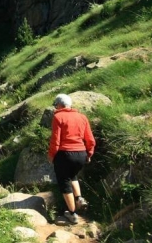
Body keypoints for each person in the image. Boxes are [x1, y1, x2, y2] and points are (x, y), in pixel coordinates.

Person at [48, 93, 95, 225]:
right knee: (72, 175)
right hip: (81, 154)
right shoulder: (82, 117)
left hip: (64, 154)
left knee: (64, 182)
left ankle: (72, 214)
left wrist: (51, 155)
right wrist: (89, 154)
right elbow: (90, 139)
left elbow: (55, 140)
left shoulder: (58, 117)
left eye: (55, 105)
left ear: (59, 105)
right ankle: (79, 198)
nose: (55, 108)